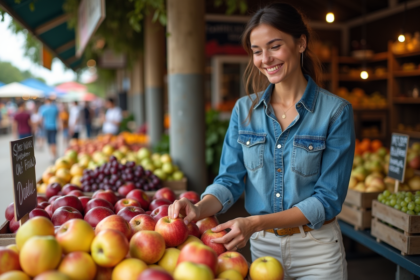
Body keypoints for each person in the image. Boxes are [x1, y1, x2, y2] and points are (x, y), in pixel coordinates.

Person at [169, 3, 355, 280]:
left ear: (300, 43)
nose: (265, 59)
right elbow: (228, 181)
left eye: (274, 46)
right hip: (263, 250)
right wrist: (198, 207)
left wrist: (254, 222)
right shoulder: (244, 110)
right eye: (256, 51)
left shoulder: (335, 112)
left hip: (316, 251)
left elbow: (327, 199)